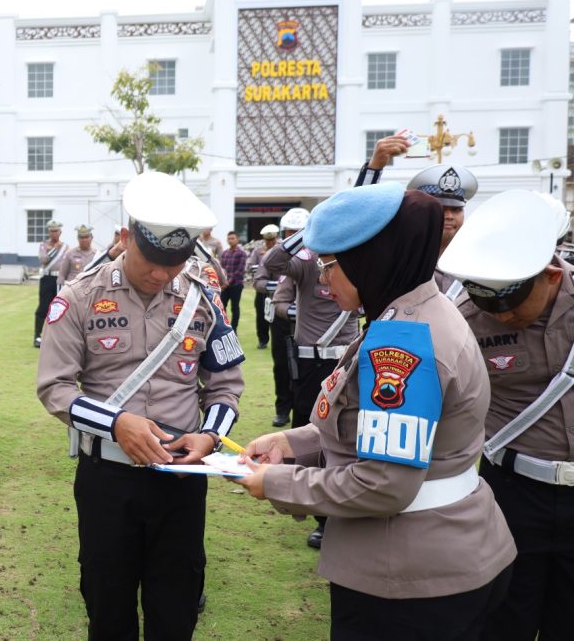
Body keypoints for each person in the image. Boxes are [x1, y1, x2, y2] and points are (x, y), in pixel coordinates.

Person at [235, 182, 516, 641]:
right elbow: (365, 424)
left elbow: (384, 485)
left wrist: (278, 483)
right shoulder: (411, 312)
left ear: (371, 259)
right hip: (435, 556)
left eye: (330, 264)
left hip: (408, 579)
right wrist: (292, 441)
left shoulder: (404, 343)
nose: (322, 278)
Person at [37, 171, 245, 640]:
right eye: (152, 260)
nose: (161, 275)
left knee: (176, 610)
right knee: (108, 608)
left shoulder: (202, 302)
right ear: (127, 238)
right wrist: (117, 424)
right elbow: (55, 388)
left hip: (182, 480)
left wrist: (210, 435)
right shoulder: (80, 298)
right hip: (108, 480)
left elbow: (226, 384)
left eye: (174, 264)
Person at [439, 189, 574, 641]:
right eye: (489, 305)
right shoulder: (463, 319)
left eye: (513, 303)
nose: (502, 316)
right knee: (504, 621)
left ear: (552, 276)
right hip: (512, 491)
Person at [261, 208, 361, 547]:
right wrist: (307, 232)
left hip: (346, 360)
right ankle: (317, 510)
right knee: (309, 432)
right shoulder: (306, 261)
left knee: (346, 436)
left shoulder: (356, 258)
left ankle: (337, 514)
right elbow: (272, 264)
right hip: (309, 362)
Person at [355, 135, 477, 298]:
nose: (448, 216)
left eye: (456, 210)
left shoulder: (473, 260)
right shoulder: (399, 253)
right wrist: (374, 169)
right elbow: (356, 223)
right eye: (440, 208)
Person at [256, 210, 307, 429]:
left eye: (298, 232)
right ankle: (283, 409)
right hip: (281, 317)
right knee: (282, 365)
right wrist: (278, 288)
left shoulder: (317, 256)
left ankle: (302, 410)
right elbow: (259, 281)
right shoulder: (275, 254)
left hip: (308, 323)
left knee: (305, 368)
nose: (293, 235)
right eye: (289, 231)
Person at [34, 220, 67, 348]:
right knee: (43, 307)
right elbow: (43, 259)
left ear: (60, 232)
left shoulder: (66, 247)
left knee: (60, 308)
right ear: (49, 232)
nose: (54, 233)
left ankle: (58, 338)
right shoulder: (43, 245)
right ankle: (38, 336)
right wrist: (55, 249)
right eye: (52, 231)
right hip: (48, 278)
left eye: (56, 231)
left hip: (60, 279)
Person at [247, 224, 280, 349]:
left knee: (278, 316)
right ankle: (263, 340)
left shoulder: (281, 250)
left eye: (272, 240)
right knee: (261, 315)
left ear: (276, 238)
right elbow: (250, 264)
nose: (270, 242)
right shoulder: (258, 251)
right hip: (262, 288)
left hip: (278, 288)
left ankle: (277, 341)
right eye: (268, 240)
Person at [219, 230, 246, 330]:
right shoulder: (225, 253)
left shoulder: (241, 253)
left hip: (236, 285)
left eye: (232, 238)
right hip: (225, 286)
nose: (230, 240)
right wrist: (223, 282)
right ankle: (223, 327)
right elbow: (221, 268)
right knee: (221, 307)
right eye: (229, 238)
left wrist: (228, 282)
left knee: (235, 308)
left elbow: (240, 270)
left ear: (237, 239)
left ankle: (234, 329)